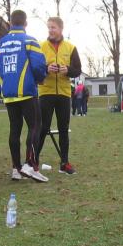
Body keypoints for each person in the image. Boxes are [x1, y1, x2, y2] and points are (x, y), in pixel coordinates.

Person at [0, 9, 49, 182]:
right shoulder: (30, 41)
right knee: (35, 126)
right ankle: (30, 165)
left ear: (10, 23)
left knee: (15, 129)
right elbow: (38, 66)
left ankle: (16, 169)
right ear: (26, 23)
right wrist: (39, 79)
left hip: (9, 95)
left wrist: (2, 89)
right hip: (27, 92)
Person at [36, 17, 82, 175]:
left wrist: (67, 70)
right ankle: (34, 162)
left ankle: (64, 163)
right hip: (46, 92)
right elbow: (34, 68)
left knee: (63, 129)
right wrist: (46, 69)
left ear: (61, 29)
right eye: (49, 27)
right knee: (43, 128)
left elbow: (78, 70)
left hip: (64, 93)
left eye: (53, 27)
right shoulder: (40, 46)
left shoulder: (71, 47)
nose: (50, 30)